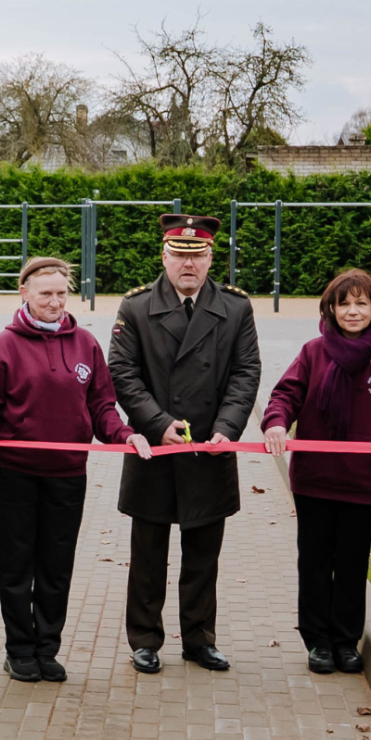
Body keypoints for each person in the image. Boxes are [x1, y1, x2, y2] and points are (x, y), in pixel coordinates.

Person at [0, 257, 152, 683]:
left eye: (61, 294)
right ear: (25, 294)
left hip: (67, 474)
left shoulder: (85, 343)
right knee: (16, 566)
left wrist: (125, 435)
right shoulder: (4, 346)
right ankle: (19, 650)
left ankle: (47, 648)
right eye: (45, 294)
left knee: (56, 566)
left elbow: (102, 406)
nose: (55, 302)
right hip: (12, 474)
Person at [108, 214, 260, 675]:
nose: (188, 264)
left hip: (210, 448)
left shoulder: (235, 308)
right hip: (156, 450)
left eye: (197, 256)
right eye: (179, 255)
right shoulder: (136, 307)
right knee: (148, 556)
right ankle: (144, 640)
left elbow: (246, 372)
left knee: (203, 557)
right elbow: (123, 373)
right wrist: (158, 424)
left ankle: (199, 640)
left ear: (211, 258)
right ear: (164, 256)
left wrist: (227, 428)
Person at [262, 269, 371, 675]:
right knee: (314, 562)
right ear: (330, 308)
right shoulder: (314, 352)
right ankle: (318, 642)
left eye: (361, 303)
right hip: (315, 480)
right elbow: (286, 394)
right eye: (344, 304)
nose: (352, 311)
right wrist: (276, 423)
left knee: (352, 564)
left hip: (364, 480)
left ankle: (346, 641)